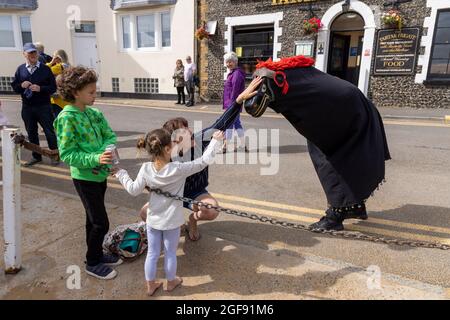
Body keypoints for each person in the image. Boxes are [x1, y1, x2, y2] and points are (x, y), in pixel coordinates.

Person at [242, 55, 391, 231]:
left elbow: (253, 108)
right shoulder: (294, 75)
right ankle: (355, 206)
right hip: (348, 108)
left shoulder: (274, 79)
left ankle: (335, 215)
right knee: (348, 159)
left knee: (331, 161)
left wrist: (244, 97)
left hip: (348, 113)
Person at [139, 78, 263, 241]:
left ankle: (192, 221)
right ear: (174, 141)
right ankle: (176, 226)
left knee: (211, 210)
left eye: (188, 127)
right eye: (184, 130)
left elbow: (222, 122)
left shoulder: (199, 140)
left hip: (195, 193)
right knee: (144, 213)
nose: (190, 131)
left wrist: (239, 100)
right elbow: (150, 180)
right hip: (170, 195)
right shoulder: (165, 155)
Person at [114, 128, 225, 295]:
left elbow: (133, 189)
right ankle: (171, 281)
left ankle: (150, 285)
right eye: (172, 143)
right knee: (170, 253)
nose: (175, 144)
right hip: (171, 222)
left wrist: (121, 173)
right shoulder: (177, 169)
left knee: (152, 253)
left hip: (153, 220)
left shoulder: (145, 168)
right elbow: (204, 161)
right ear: (167, 149)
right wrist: (216, 141)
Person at [54, 66, 122, 280]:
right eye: (91, 92)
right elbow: (67, 154)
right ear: (75, 93)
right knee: (100, 222)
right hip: (84, 179)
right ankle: (92, 262)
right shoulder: (67, 118)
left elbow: (109, 135)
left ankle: (96, 254)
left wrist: (106, 151)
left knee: (92, 220)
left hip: (100, 175)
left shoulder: (94, 113)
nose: (95, 95)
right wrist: (95, 158)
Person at [10, 43, 59, 167]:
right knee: (31, 133)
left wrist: (40, 88)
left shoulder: (45, 69)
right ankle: (36, 156)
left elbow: (53, 87)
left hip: (44, 106)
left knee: (49, 132)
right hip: (27, 107)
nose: (33, 55)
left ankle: (54, 155)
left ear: (37, 54)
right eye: (30, 52)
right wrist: (21, 86)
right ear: (24, 54)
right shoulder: (20, 69)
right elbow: (15, 88)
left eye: (34, 52)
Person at [222, 52, 248, 153]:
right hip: (232, 104)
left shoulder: (236, 74)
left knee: (229, 124)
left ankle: (225, 146)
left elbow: (235, 91)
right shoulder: (233, 73)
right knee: (236, 124)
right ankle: (243, 145)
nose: (228, 64)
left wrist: (233, 105)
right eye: (227, 62)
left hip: (233, 104)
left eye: (230, 62)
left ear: (235, 62)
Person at [46, 49, 71, 119]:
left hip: (57, 99)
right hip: (66, 95)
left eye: (54, 57)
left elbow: (43, 70)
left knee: (58, 120)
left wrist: (51, 62)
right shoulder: (68, 65)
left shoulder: (59, 67)